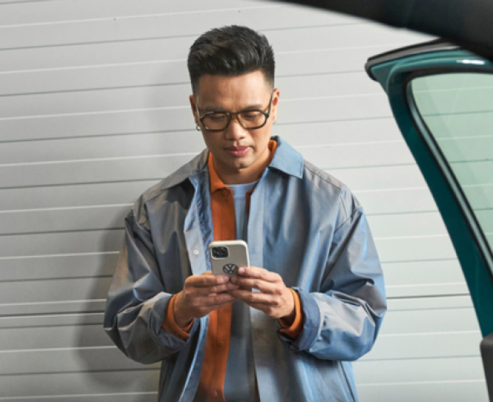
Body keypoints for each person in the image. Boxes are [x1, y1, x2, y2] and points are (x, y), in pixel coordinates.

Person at [103, 25, 386, 402]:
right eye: (215, 116)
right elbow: (126, 330)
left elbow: (364, 322)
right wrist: (178, 309)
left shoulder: (332, 203)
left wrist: (295, 308)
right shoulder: (154, 211)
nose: (236, 133)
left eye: (252, 114)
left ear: (275, 102)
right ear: (194, 109)